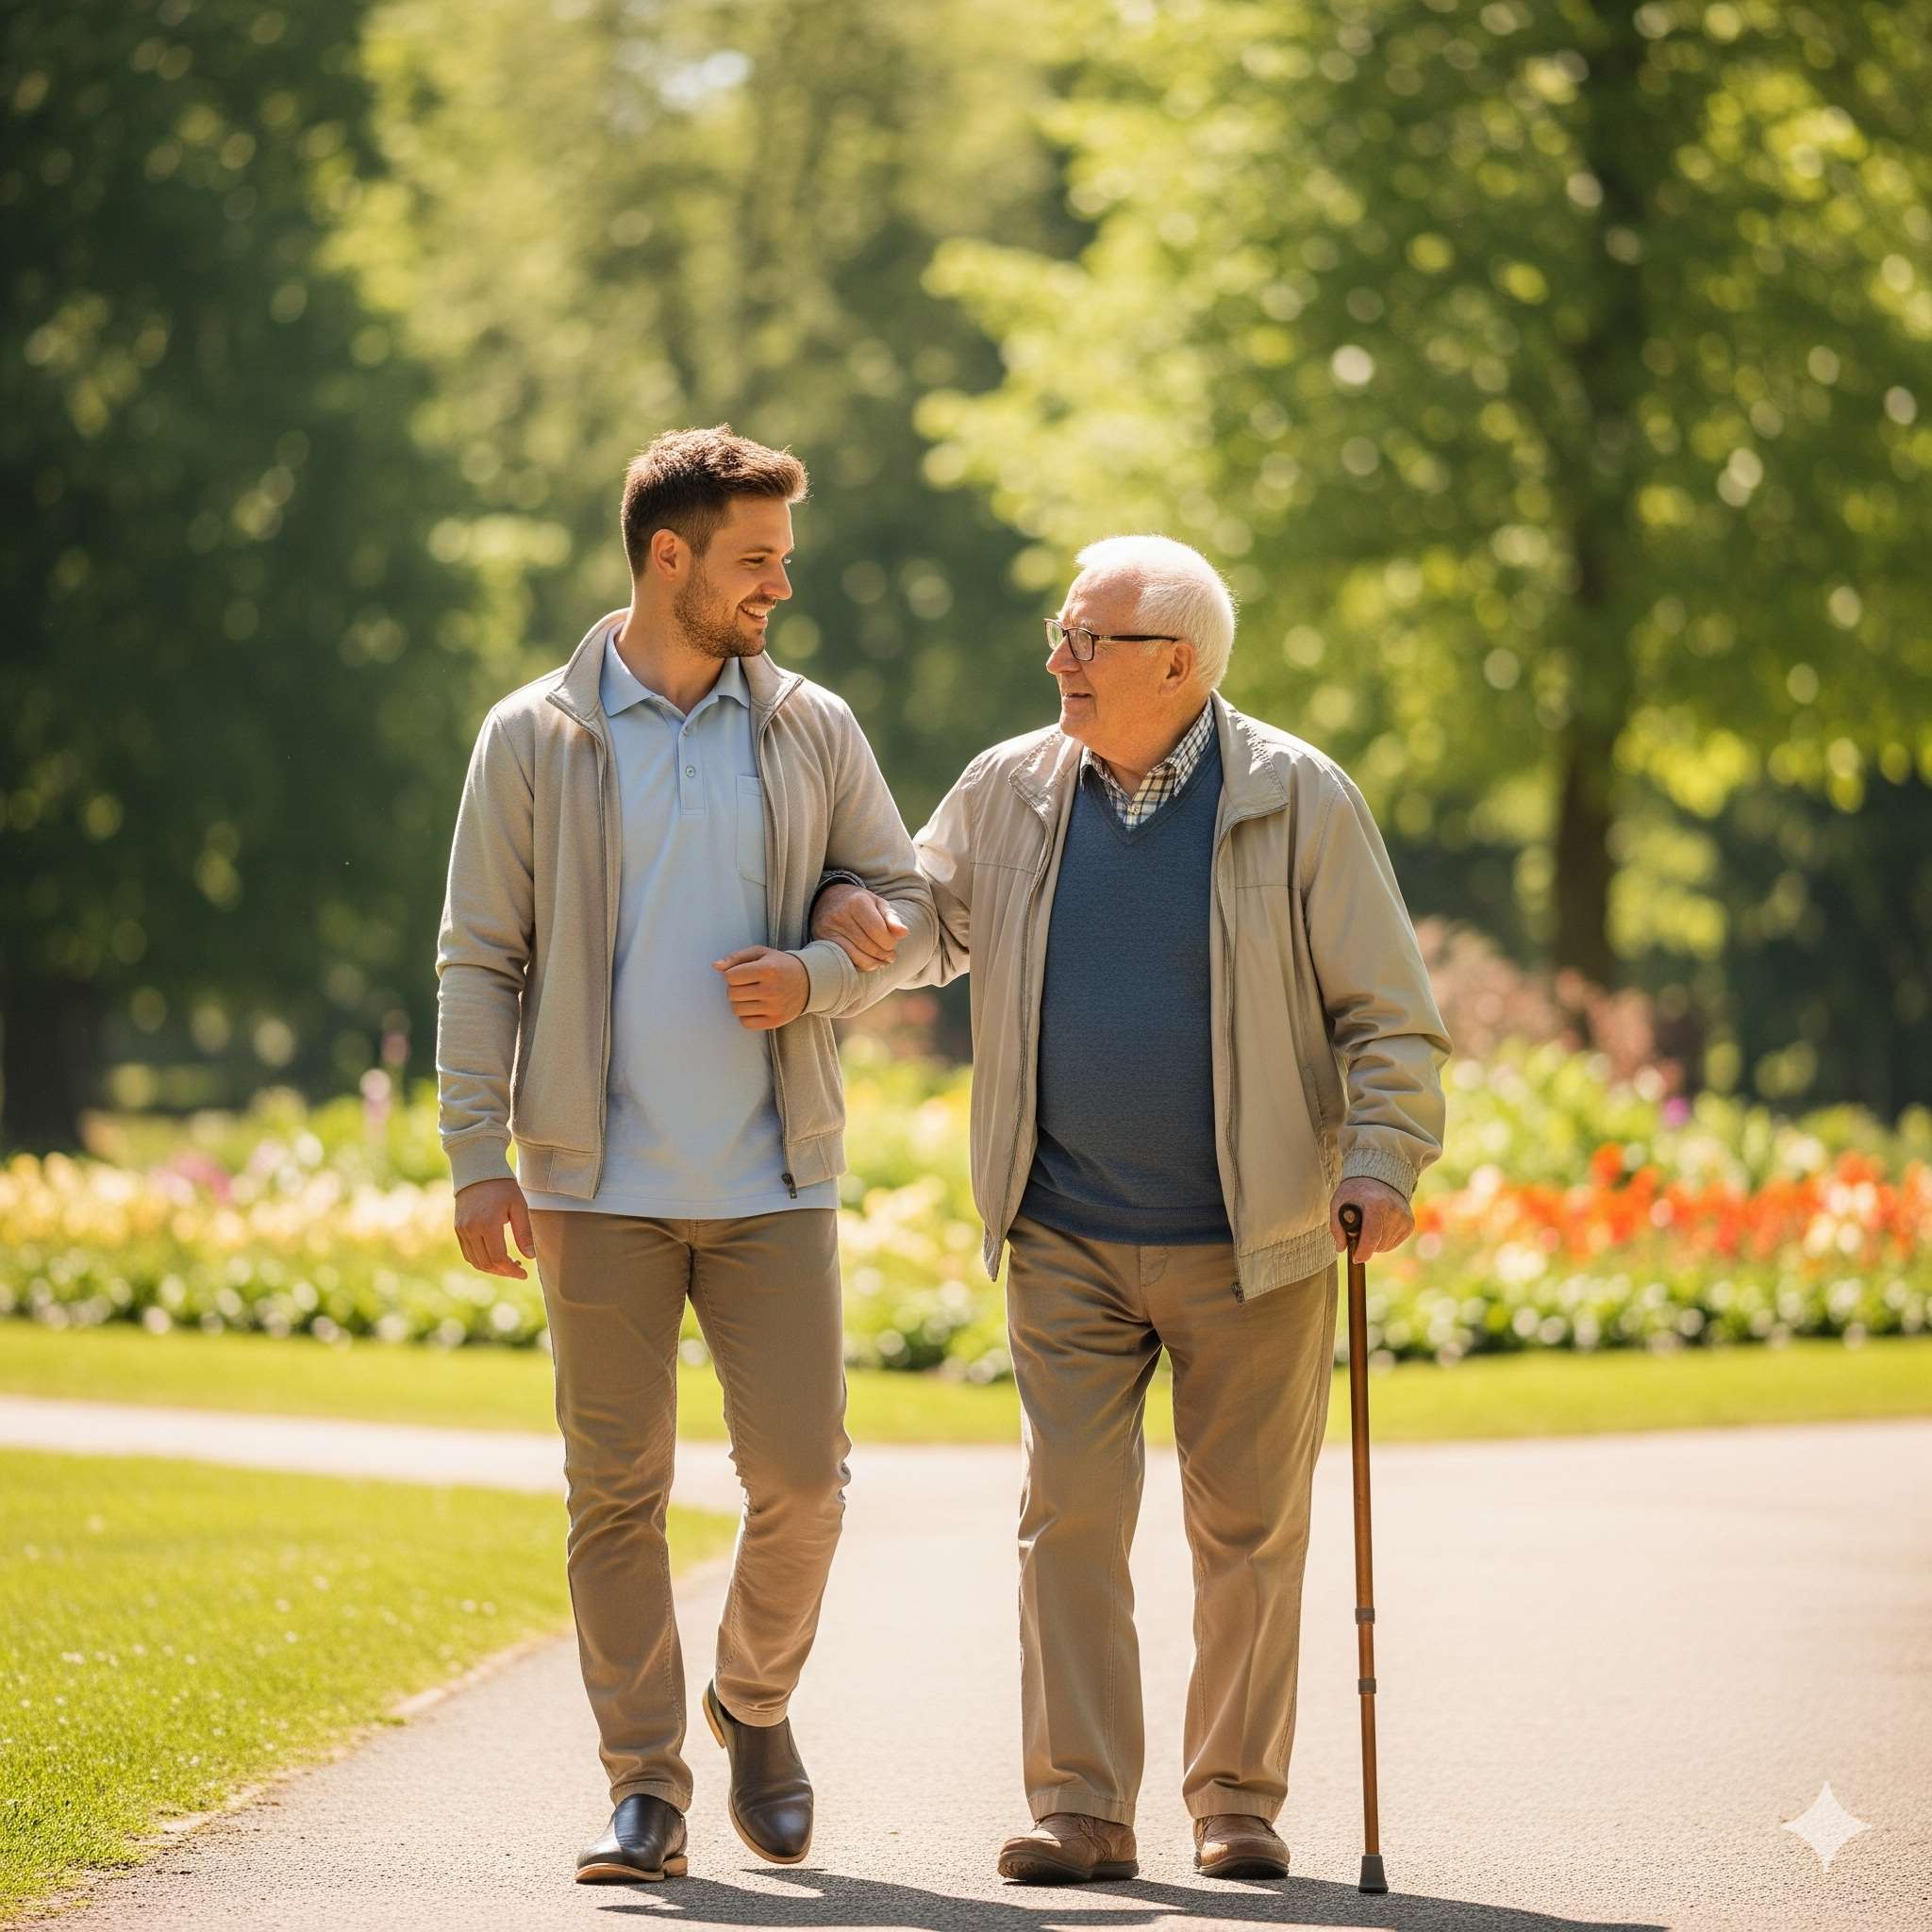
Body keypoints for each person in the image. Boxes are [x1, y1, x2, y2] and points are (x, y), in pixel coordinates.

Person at [812, 534, 1449, 1884]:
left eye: (1087, 640)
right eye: (1060, 633)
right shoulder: (1011, 785)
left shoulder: (1295, 796)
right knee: (1072, 1515)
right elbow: (937, 918)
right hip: (1065, 1228)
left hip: (1254, 1235)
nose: (1059, 658)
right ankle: (1082, 1810)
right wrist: (868, 927)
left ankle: (1236, 1802)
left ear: (1180, 660)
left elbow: (1388, 1018)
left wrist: (1381, 1160)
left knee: (1251, 1532)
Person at [437, 425, 934, 1886]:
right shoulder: (534, 736)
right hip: (594, 1182)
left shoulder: (812, 726)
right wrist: (480, 1152)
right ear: (671, 559)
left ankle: (753, 1704)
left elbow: (900, 896)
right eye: (758, 559)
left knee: (805, 1481)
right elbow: (481, 954)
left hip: (776, 1171)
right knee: (618, 1492)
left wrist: (825, 969)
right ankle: (644, 1786)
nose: (782, 582)